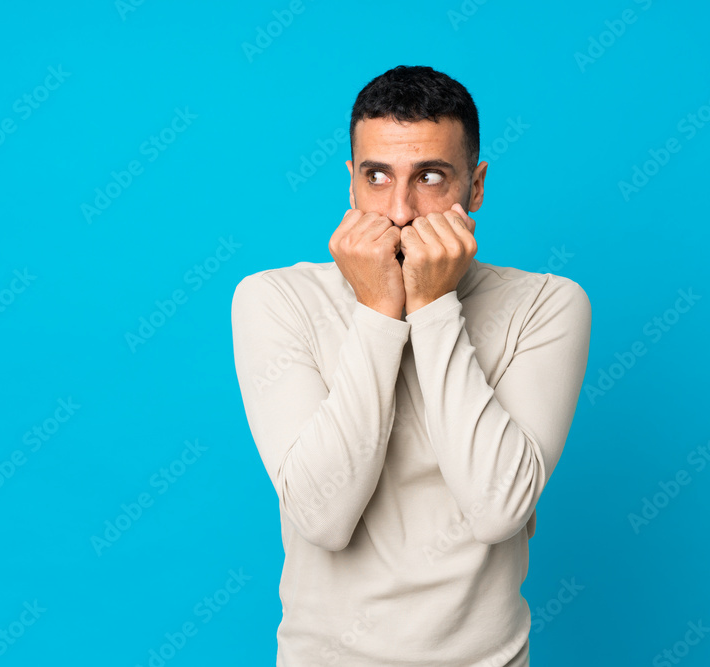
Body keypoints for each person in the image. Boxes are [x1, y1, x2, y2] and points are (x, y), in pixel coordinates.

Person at [231, 65, 591, 666]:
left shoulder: (547, 305)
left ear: (475, 187)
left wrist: (432, 304)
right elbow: (323, 519)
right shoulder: (274, 299)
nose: (400, 211)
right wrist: (379, 311)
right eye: (378, 177)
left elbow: (497, 507)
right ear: (351, 184)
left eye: (430, 177)